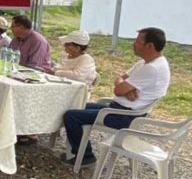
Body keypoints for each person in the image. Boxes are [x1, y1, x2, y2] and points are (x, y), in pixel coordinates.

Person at [62, 28, 171, 167]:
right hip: (117, 108)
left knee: (71, 116)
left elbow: (118, 90)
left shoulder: (153, 68)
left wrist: (123, 88)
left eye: (138, 41)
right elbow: (119, 79)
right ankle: (79, 150)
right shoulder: (144, 63)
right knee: (77, 104)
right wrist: (126, 88)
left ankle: (85, 156)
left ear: (150, 46)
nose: (133, 44)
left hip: (124, 116)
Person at [42, 30, 98, 95]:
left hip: (77, 93)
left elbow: (77, 75)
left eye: (67, 44)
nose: (64, 45)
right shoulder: (66, 56)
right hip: (61, 88)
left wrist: (54, 72)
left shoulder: (86, 59)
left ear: (77, 48)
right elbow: (58, 68)